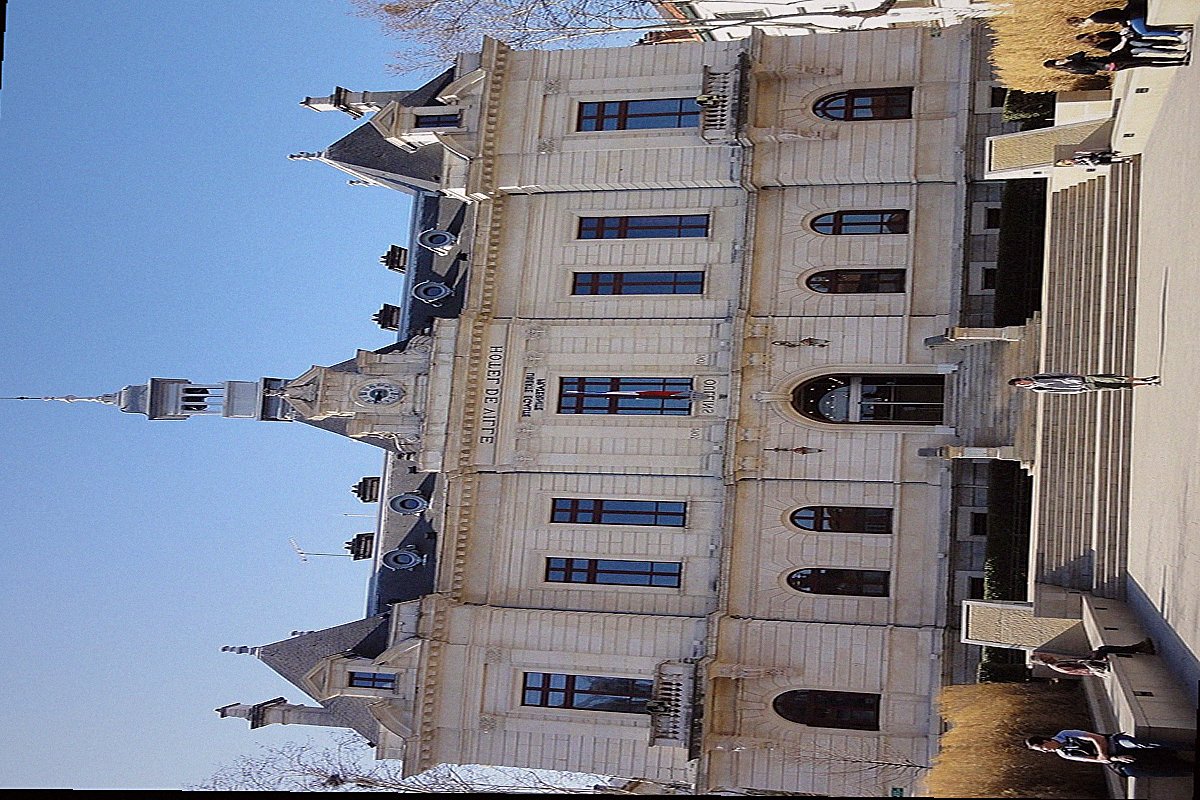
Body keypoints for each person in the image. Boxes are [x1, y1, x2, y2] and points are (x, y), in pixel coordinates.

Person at [1025, 729, 1194, 777]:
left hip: (1113, 742)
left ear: (1045, 741)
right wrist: (1112, 758)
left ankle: (1189, 746)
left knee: (1138, 744)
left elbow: (1097, 738)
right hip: (1113, 756)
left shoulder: (1065, 734)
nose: (1045, 751)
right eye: (1041, 751)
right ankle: (1188, 769)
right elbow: (1096, 760)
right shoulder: (1064, 754)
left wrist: (1104, 754)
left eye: (1042, 748)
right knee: (1133, 770)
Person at [1067, 0, 1189, 41]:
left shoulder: (1096, 19)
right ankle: (1173, 31)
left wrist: (1125, 25)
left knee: (1143, 32)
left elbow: (1119, 17)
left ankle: (1178, 34)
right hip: (1130, 13)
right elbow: (1115, 11)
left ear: (1080, 25)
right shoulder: (1095, 16)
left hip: (1133, 15)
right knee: (1143, 29)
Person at [1031, 638, 1155, 676]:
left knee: (1102, 649)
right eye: (1044, 656)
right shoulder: (1058, 665)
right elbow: (1083, 665)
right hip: (1096, 668)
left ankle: (1138, 648)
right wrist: (1093, 657)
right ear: (1044, 660)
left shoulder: (1058, 662)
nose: (1048, 655)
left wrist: (1091, 655)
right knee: (1104, 649)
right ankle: (1138, 648)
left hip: (1093, 664)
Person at [1008, 373, 1160, 393]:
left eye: (1019, 382)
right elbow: (1058, 391)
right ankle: (1146, 384)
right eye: (1019, 385)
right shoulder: (1037, 388)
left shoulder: (1038, 377)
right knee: (1115, 386)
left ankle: (1144, 379)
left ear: (1021, 379)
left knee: (1114, 378)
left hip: (1081, 379)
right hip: (1080, 387)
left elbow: (1058, 375)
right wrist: (1076, 391)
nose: (1021, 384)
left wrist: (1076, 375)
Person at [1075, 30, 1189, 56]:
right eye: (1091, 36)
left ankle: (1173, 43)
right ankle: (1175, 51)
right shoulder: (1098, 45)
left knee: (1149, 42)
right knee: (1148, 49)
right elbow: (1114, 50)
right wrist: (1123, 40)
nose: (1094, 35)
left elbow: (1116, 33)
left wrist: (1123, 33)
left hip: (1130, 41)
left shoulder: (1102, 34)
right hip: (1126, 48)